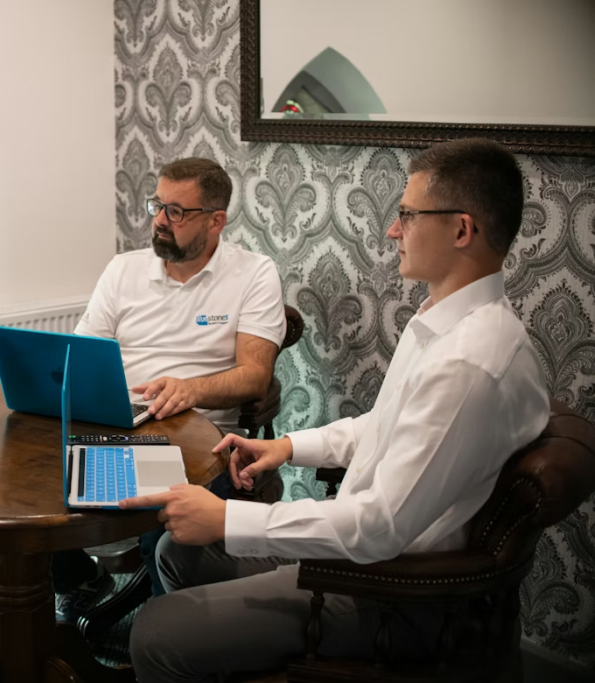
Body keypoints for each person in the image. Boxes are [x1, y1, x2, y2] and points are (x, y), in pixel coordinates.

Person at [120, 138, 550, 682]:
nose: (393, 230)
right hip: (372, 556)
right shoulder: (446, 323)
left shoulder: (469, 362)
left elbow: (379, 525)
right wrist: (288, 447)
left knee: (154, 632)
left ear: (462, 230)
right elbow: (387, 422)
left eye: (407, 215)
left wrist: (228, 516)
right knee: (177, 555)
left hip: (393, 591)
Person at [53, 157, 286, 621]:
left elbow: (255, 376)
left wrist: (191, 389)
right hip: (119, 426)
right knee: (27, 488)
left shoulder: (254, 275)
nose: (160, 220)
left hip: (200, 446)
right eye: (158, 205)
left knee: (163, 525)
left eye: (176, 211)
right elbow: (81, 356)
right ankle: (77, 577)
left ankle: (168, 637)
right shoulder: (123, 270)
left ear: (216, 220)